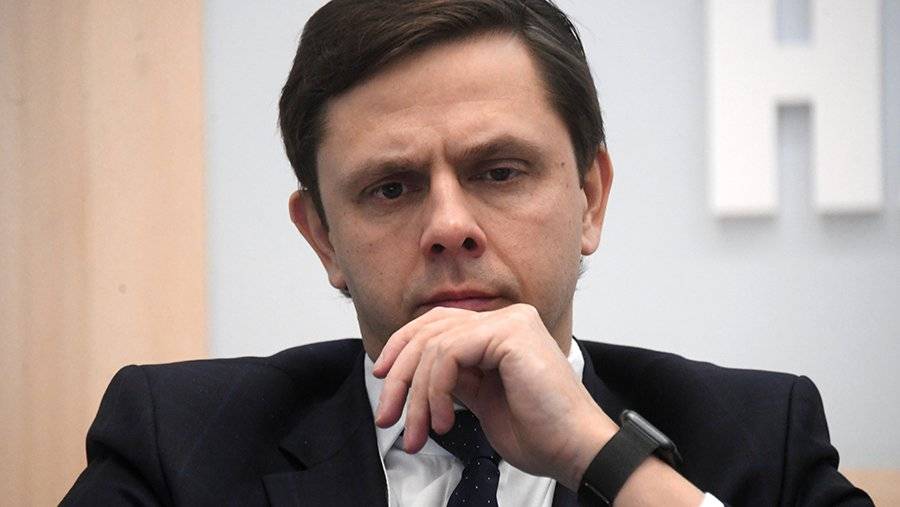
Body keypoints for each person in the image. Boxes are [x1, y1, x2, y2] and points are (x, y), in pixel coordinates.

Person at [63, 1, 873, 505]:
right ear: (323, 237)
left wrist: (605, 458)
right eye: (391, 187)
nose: (450, 225)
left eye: (499, 171)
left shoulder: (759, 438)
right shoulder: (179, 444)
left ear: (590, 198)